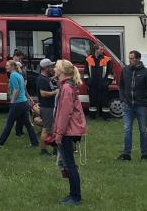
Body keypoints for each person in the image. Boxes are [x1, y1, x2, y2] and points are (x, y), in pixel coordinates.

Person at [50, 60, 87, 207]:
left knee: (69, 164)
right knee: (68, 163)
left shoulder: (66, 87)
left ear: (62, 71)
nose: (54, 69)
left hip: (68, 131)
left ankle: (76, 197)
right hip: (69, 130)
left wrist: (59, 133)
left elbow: (65, 113)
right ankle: (73, 194)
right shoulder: (67, 86)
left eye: (56, 67)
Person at [0, 60, 39, 148]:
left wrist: (12, 101)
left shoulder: (13, 75)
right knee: (28, 124)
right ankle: (35, 142)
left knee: (9, 123)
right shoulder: (19, 75)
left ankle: (0, 142)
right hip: (23, 102)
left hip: (18, 103)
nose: (6, 67)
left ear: (13, 67)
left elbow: (16, 89)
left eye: (7, 65)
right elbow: (23, 88)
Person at [118, 50, 147, 161]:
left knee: (143, 130)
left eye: (132, 58)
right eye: (129, 58)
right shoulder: (125, 70)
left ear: (138, 59)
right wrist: (122, 99)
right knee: (127, 130)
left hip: (141, 106)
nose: (130, 60)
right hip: (127, 106)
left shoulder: (146, 73)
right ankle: (126, 154)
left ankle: (144, 154)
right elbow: (121, 86)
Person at [37, 59, 59, 156]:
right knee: (46, 129)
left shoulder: (45, 78)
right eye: (50, 66)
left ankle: (55, 148)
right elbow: (43, 93)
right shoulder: (42, 79)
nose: (52, 68)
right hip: (46, 107)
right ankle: (43, 150)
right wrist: (55, 92)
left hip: (49, 106)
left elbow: (48, 82)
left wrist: (55, 77)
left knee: (51, 128)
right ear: (45, 68)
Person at [86, 45, 113, 120]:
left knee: (105, 101)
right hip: (92, 84)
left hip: (103, 84)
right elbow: (86, 72)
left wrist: (107, 83)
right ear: (96, 50)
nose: (102, 51)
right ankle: (92, 116)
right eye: (101, 49)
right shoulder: (88, 59)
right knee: (92, 101)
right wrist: (88, 82)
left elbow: (110, 73)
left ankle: (106, 117)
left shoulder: (107, 59)